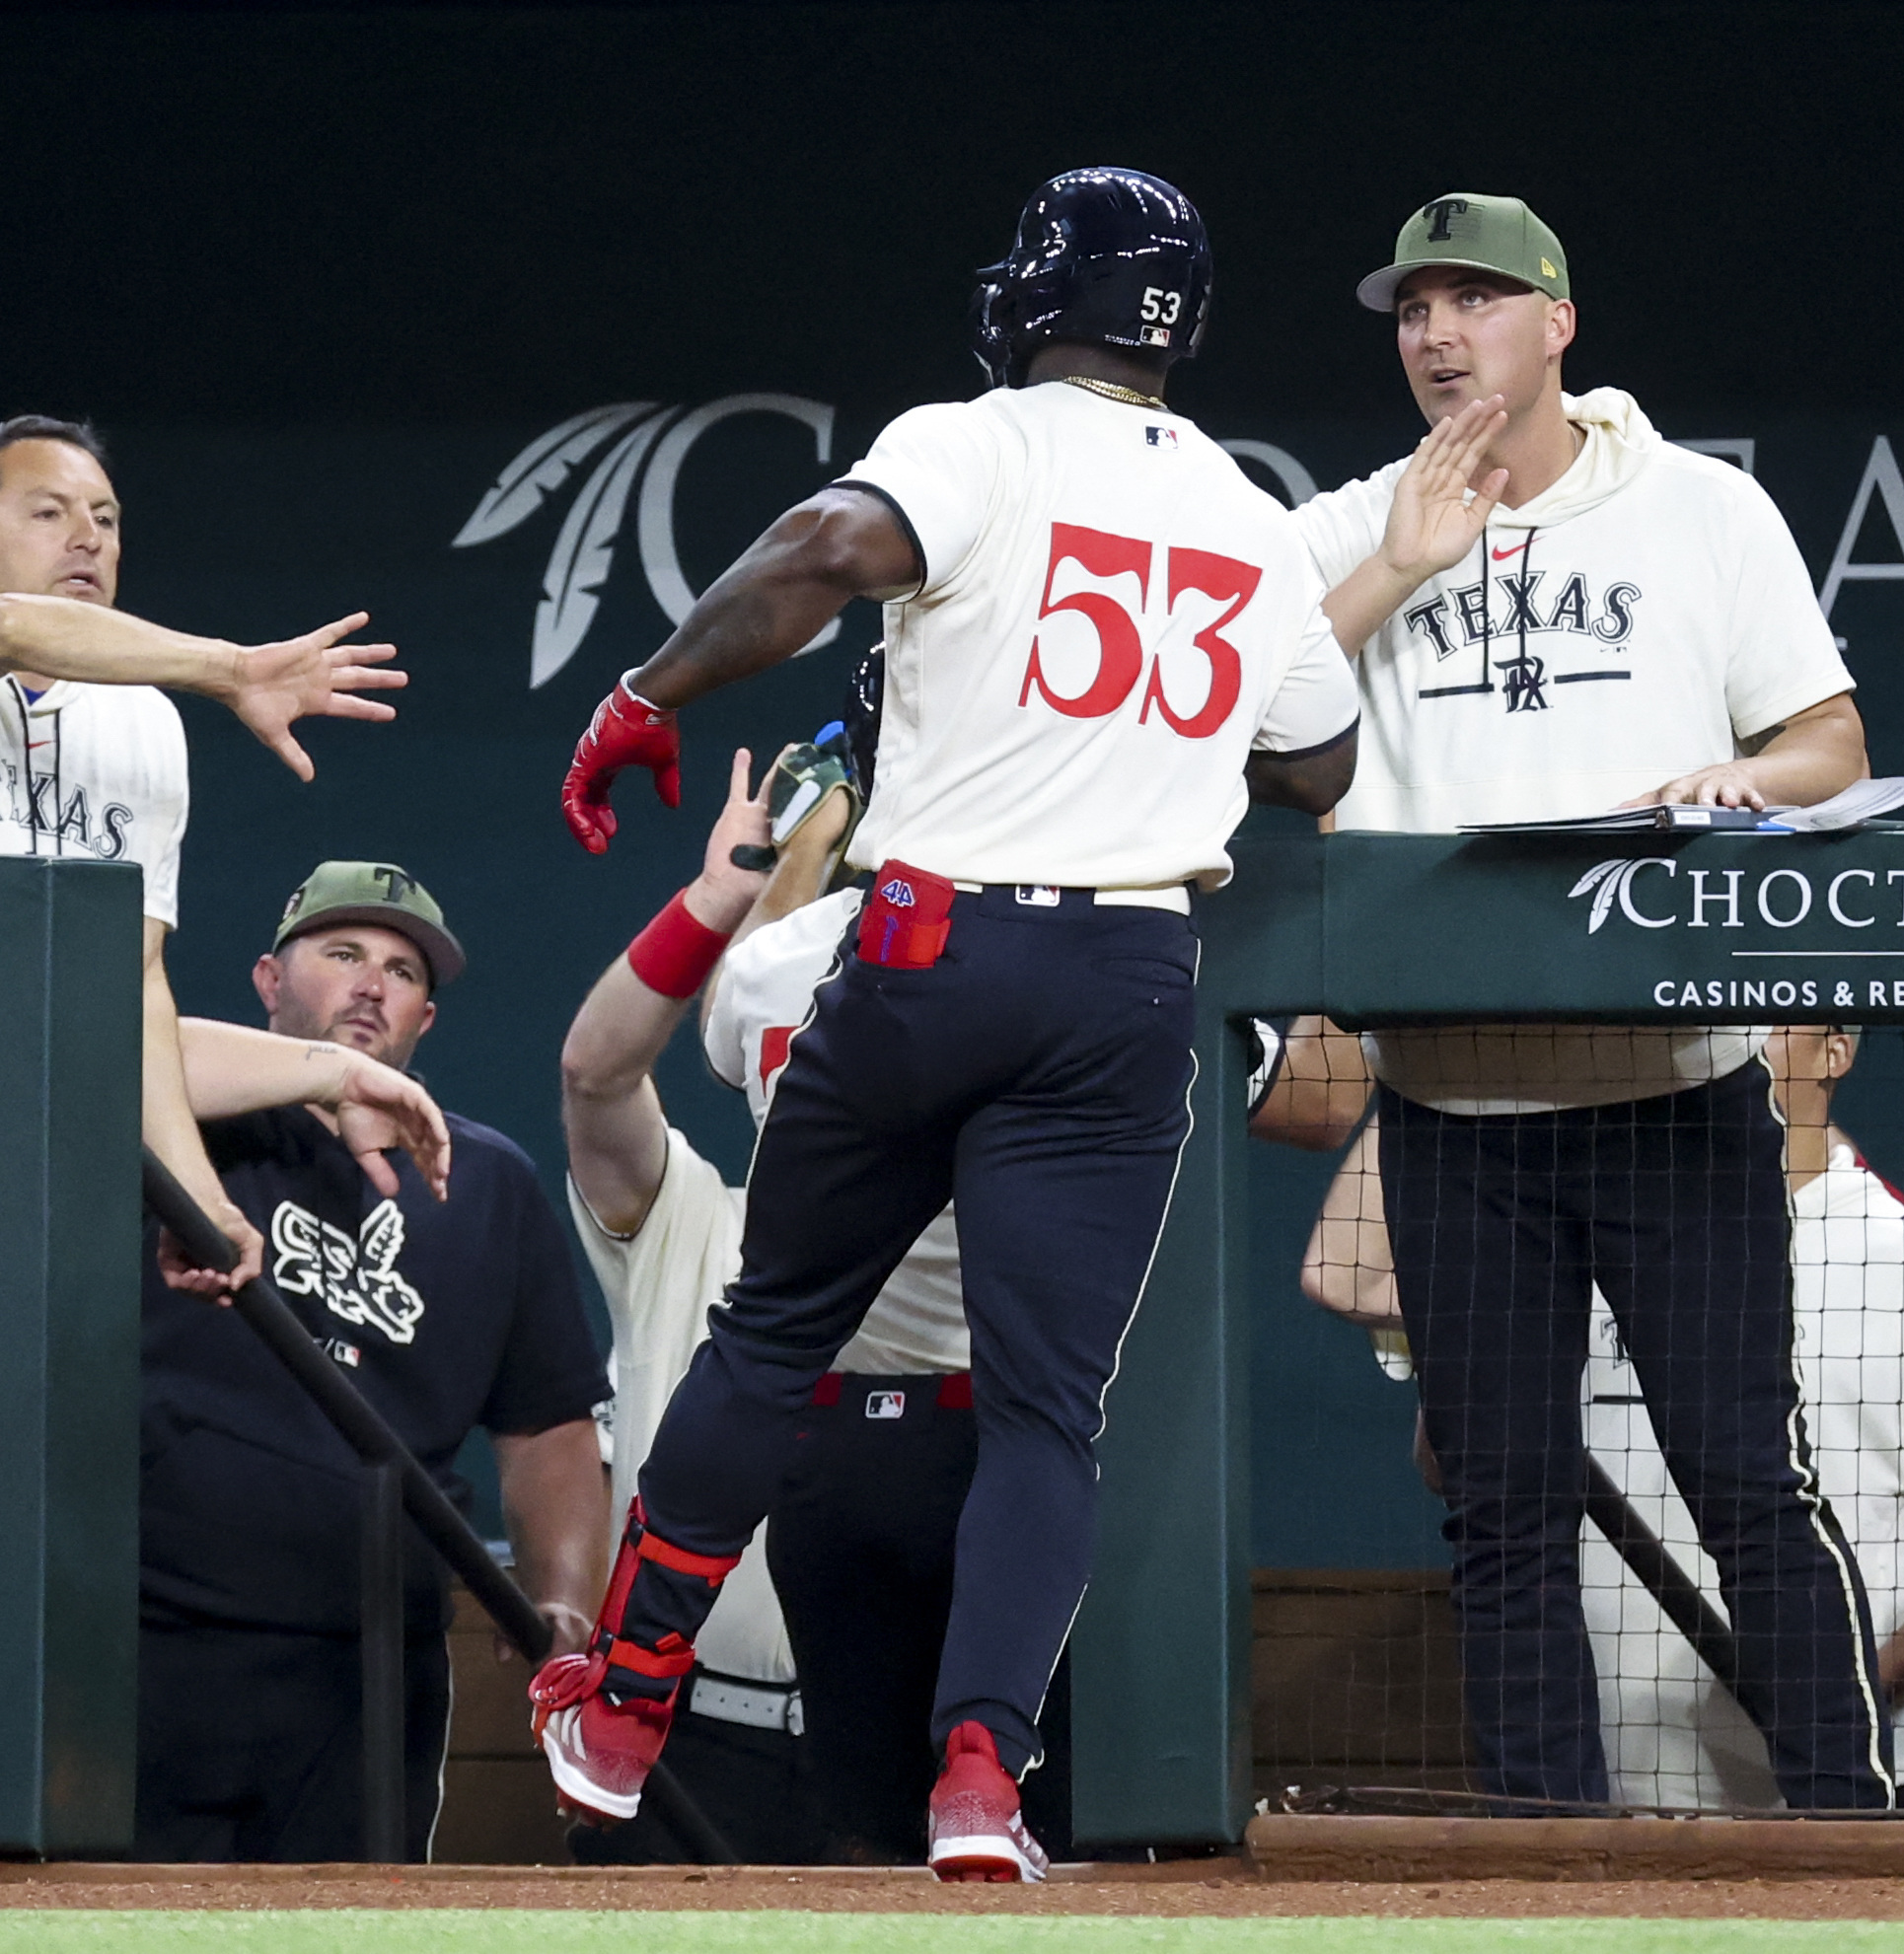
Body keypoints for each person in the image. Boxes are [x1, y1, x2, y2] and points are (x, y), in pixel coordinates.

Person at [535, 167, 1358, 1879]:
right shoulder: (1250, 515)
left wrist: (645, 692)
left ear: (1042, 288)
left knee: (767, 1334)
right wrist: (1146, 736)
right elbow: (1321, 761)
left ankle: (620, 1712)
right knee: (1049, 1411)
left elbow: (824, 552)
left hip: (934, 946)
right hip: (1127, 977)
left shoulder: (981, 437)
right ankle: (981, 1778)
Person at [0, 415, 451, 1808]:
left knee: (37, 1469)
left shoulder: (140, 724)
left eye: (106, 514)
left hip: (13, 1171)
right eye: (50, 512)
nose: (89, 537)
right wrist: (236, 666)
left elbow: (139, 996)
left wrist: (196, 1195)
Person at [1293, 191, 1887, 1810]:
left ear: (1555, 322)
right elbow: (1225, 729)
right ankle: (1542, 1855)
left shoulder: (1697, 510)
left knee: (1739, 1484)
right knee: (1499, 1504)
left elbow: (1828, 744)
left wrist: (1741, 776)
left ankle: (1850, 1827)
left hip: (1669, 1095)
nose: (1431, 334)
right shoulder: (1348, 523)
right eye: (1410, 308)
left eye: (1470, 300)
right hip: (1451, 1110)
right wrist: (1390, 576)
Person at [557, 737, 1084, 1864]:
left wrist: (800, 856)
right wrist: (727, 891)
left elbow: (772, 987)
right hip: (706, 1735)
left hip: (925, 1592)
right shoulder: (690, 1211)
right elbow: (605, 1069)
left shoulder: (782, 994)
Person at [133, 861, 609, 1862]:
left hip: (367, 1658)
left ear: (425, 1021)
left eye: (400, 971)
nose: (369, 984)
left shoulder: (486, 1181)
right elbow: (109, 1041)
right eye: (341, 953)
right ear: (267, 979)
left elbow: (549, 1422)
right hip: (147, 1627)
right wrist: (323, 1077)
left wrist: (564, 1593)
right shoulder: (179, 1120)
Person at [1573, 1027, 1904, 1810]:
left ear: (1834, 1050)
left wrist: (1859, 1681)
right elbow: (1447, 1456)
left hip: (1831, 1790)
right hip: (1596, 1794)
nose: (1727, 1038)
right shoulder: (1598, 1237)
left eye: (1760, 1015)